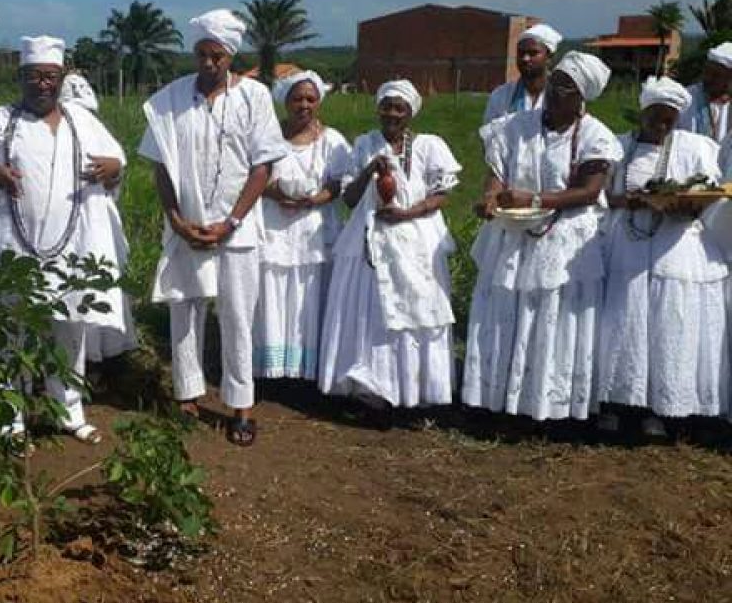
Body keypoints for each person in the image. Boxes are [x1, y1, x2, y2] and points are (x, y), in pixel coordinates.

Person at [0, 35, 130, 445]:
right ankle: (8, 419)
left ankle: (68, 412)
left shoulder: (82, 121)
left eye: (50, 76)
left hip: (70, 252)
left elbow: (115, 166)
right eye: (34, 76)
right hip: (13, 251)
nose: (43, 84)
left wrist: (114, 170)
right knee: (8, 334)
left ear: (61, 77)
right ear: (21, 77)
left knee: (69, 332)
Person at [139, 9, 289, 446]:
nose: (208, 64)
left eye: (217, 56)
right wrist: (175, 219)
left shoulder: (254, 97)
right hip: (186, 226)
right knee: (184, 311)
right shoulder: (170, 100)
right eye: (202, 54)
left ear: (230, 56)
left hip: (237, 231)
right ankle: (187, 394)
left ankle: (241, 404)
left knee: (238, 317)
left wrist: (232, 221)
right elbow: (161, 167)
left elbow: (262, 167)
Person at [463, 51, 620, 421]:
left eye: (565, 88)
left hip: (566, 243)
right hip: (515, 234)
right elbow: (497, 174)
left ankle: (554, 406)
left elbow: (588, 190)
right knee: (506, 312)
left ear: (582, 97)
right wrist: (491, 198)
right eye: (554, 82)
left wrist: (534, 198)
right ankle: (499, 398)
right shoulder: (515, 126)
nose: (554, 91)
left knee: (554, 316)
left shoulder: (596, 136)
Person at [595, 77, 728, 437]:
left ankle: (660, 407)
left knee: (667, 323)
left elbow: (712, 192)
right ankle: (616, 401)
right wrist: (635, 201)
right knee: (623, 322)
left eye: (670, 118)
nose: (662, 125)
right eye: (656, 116)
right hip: (627, 245)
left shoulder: (695, 147)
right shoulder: (619, 147)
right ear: (642, 113)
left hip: (676, 245)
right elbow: (602, 196)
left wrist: (686, 205)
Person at [316, 81, 460, 409]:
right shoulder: (365, 144)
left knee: (414, 309)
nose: (392, 113)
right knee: (370, 310)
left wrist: (408, 212)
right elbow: (350, 199)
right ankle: (373, 389)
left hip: (415, 238)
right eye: (387, 106)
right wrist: (370, 168)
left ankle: (410, 388)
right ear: (378, 109)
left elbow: (441, 195)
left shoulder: (428, 146)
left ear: (410, 112)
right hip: (368, 238)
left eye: (400, 108)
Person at [253, 70, 351, 380]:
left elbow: (338, 183)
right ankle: (271, 367)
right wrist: (275, 192)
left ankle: (307, 367)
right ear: (285, 102)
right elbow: (252, 177)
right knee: (273, 291)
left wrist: (312, 200)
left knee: (309, 295)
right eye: (297, 99)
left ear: (319, 102)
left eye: (311, 99)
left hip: (314, 230)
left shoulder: (332, 141)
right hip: (274, 227)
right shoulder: (267, 137)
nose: (304, 105)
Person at [59, 70, 139, 363]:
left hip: (91, 220)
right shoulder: (63, 125)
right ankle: (83, 358)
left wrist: (113, 168)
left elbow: (116, 166)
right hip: (78, 220)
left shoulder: (89, 126)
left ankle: (91, 357)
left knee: (88, 281)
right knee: (79, 282)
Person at [482, 23, 563, 126]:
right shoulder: (501, 96)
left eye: (533, 53)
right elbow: (490, 137)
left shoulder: (563, 97)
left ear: (550, 57)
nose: (525, 59)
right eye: (521, 53)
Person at [679, 42, 732, 142]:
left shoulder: (728, 104)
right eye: (707, 72)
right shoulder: (686, 98)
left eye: (716, 75)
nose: (708, 78)